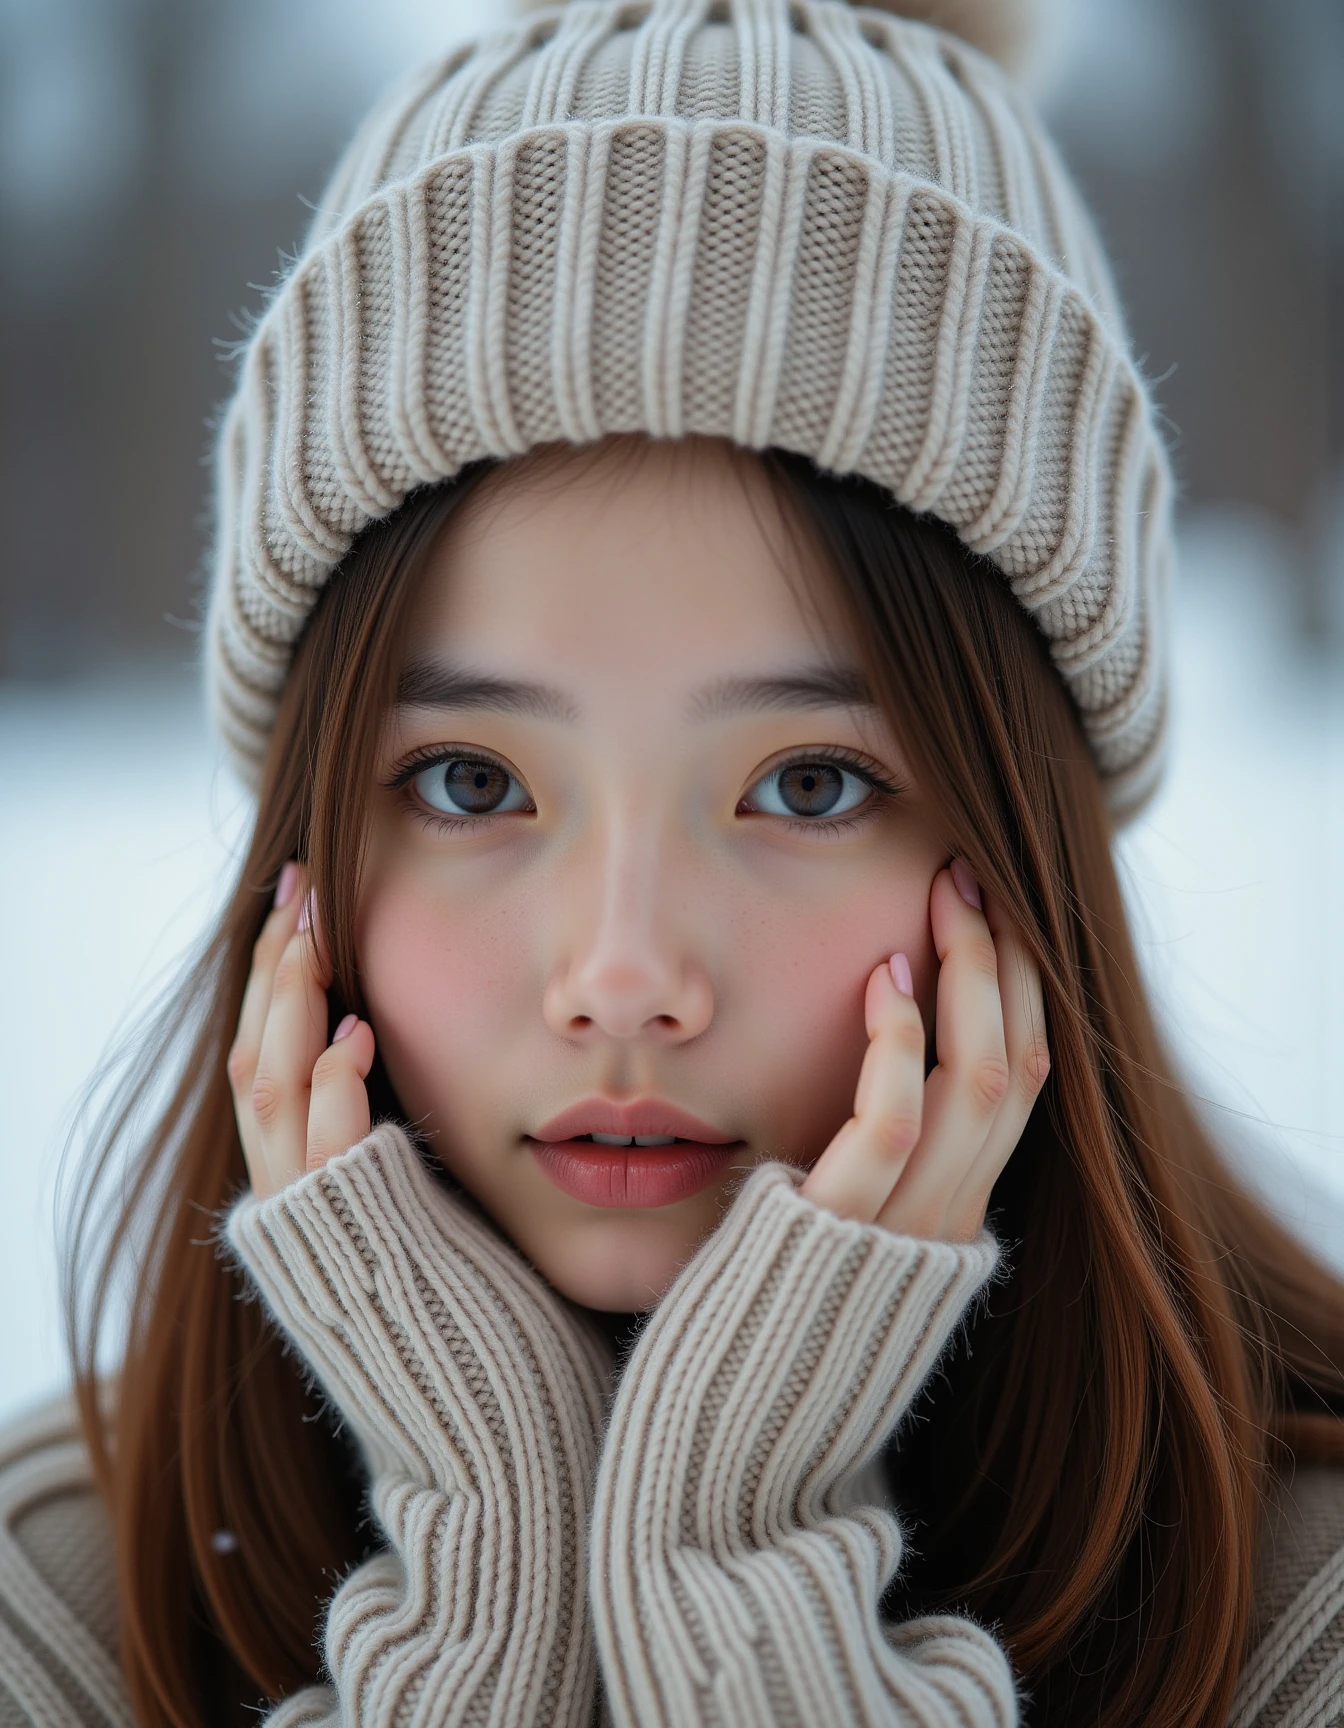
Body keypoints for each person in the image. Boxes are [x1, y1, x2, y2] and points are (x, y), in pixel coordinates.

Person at [1, 0, 1341, 1723]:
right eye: (473, 779)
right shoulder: (56, 1628)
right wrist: (493, 1559)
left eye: (805, 787)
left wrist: (728, 1553)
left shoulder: (1298, 1629)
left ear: (1029, 857)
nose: (624, 974)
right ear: (310, 841)